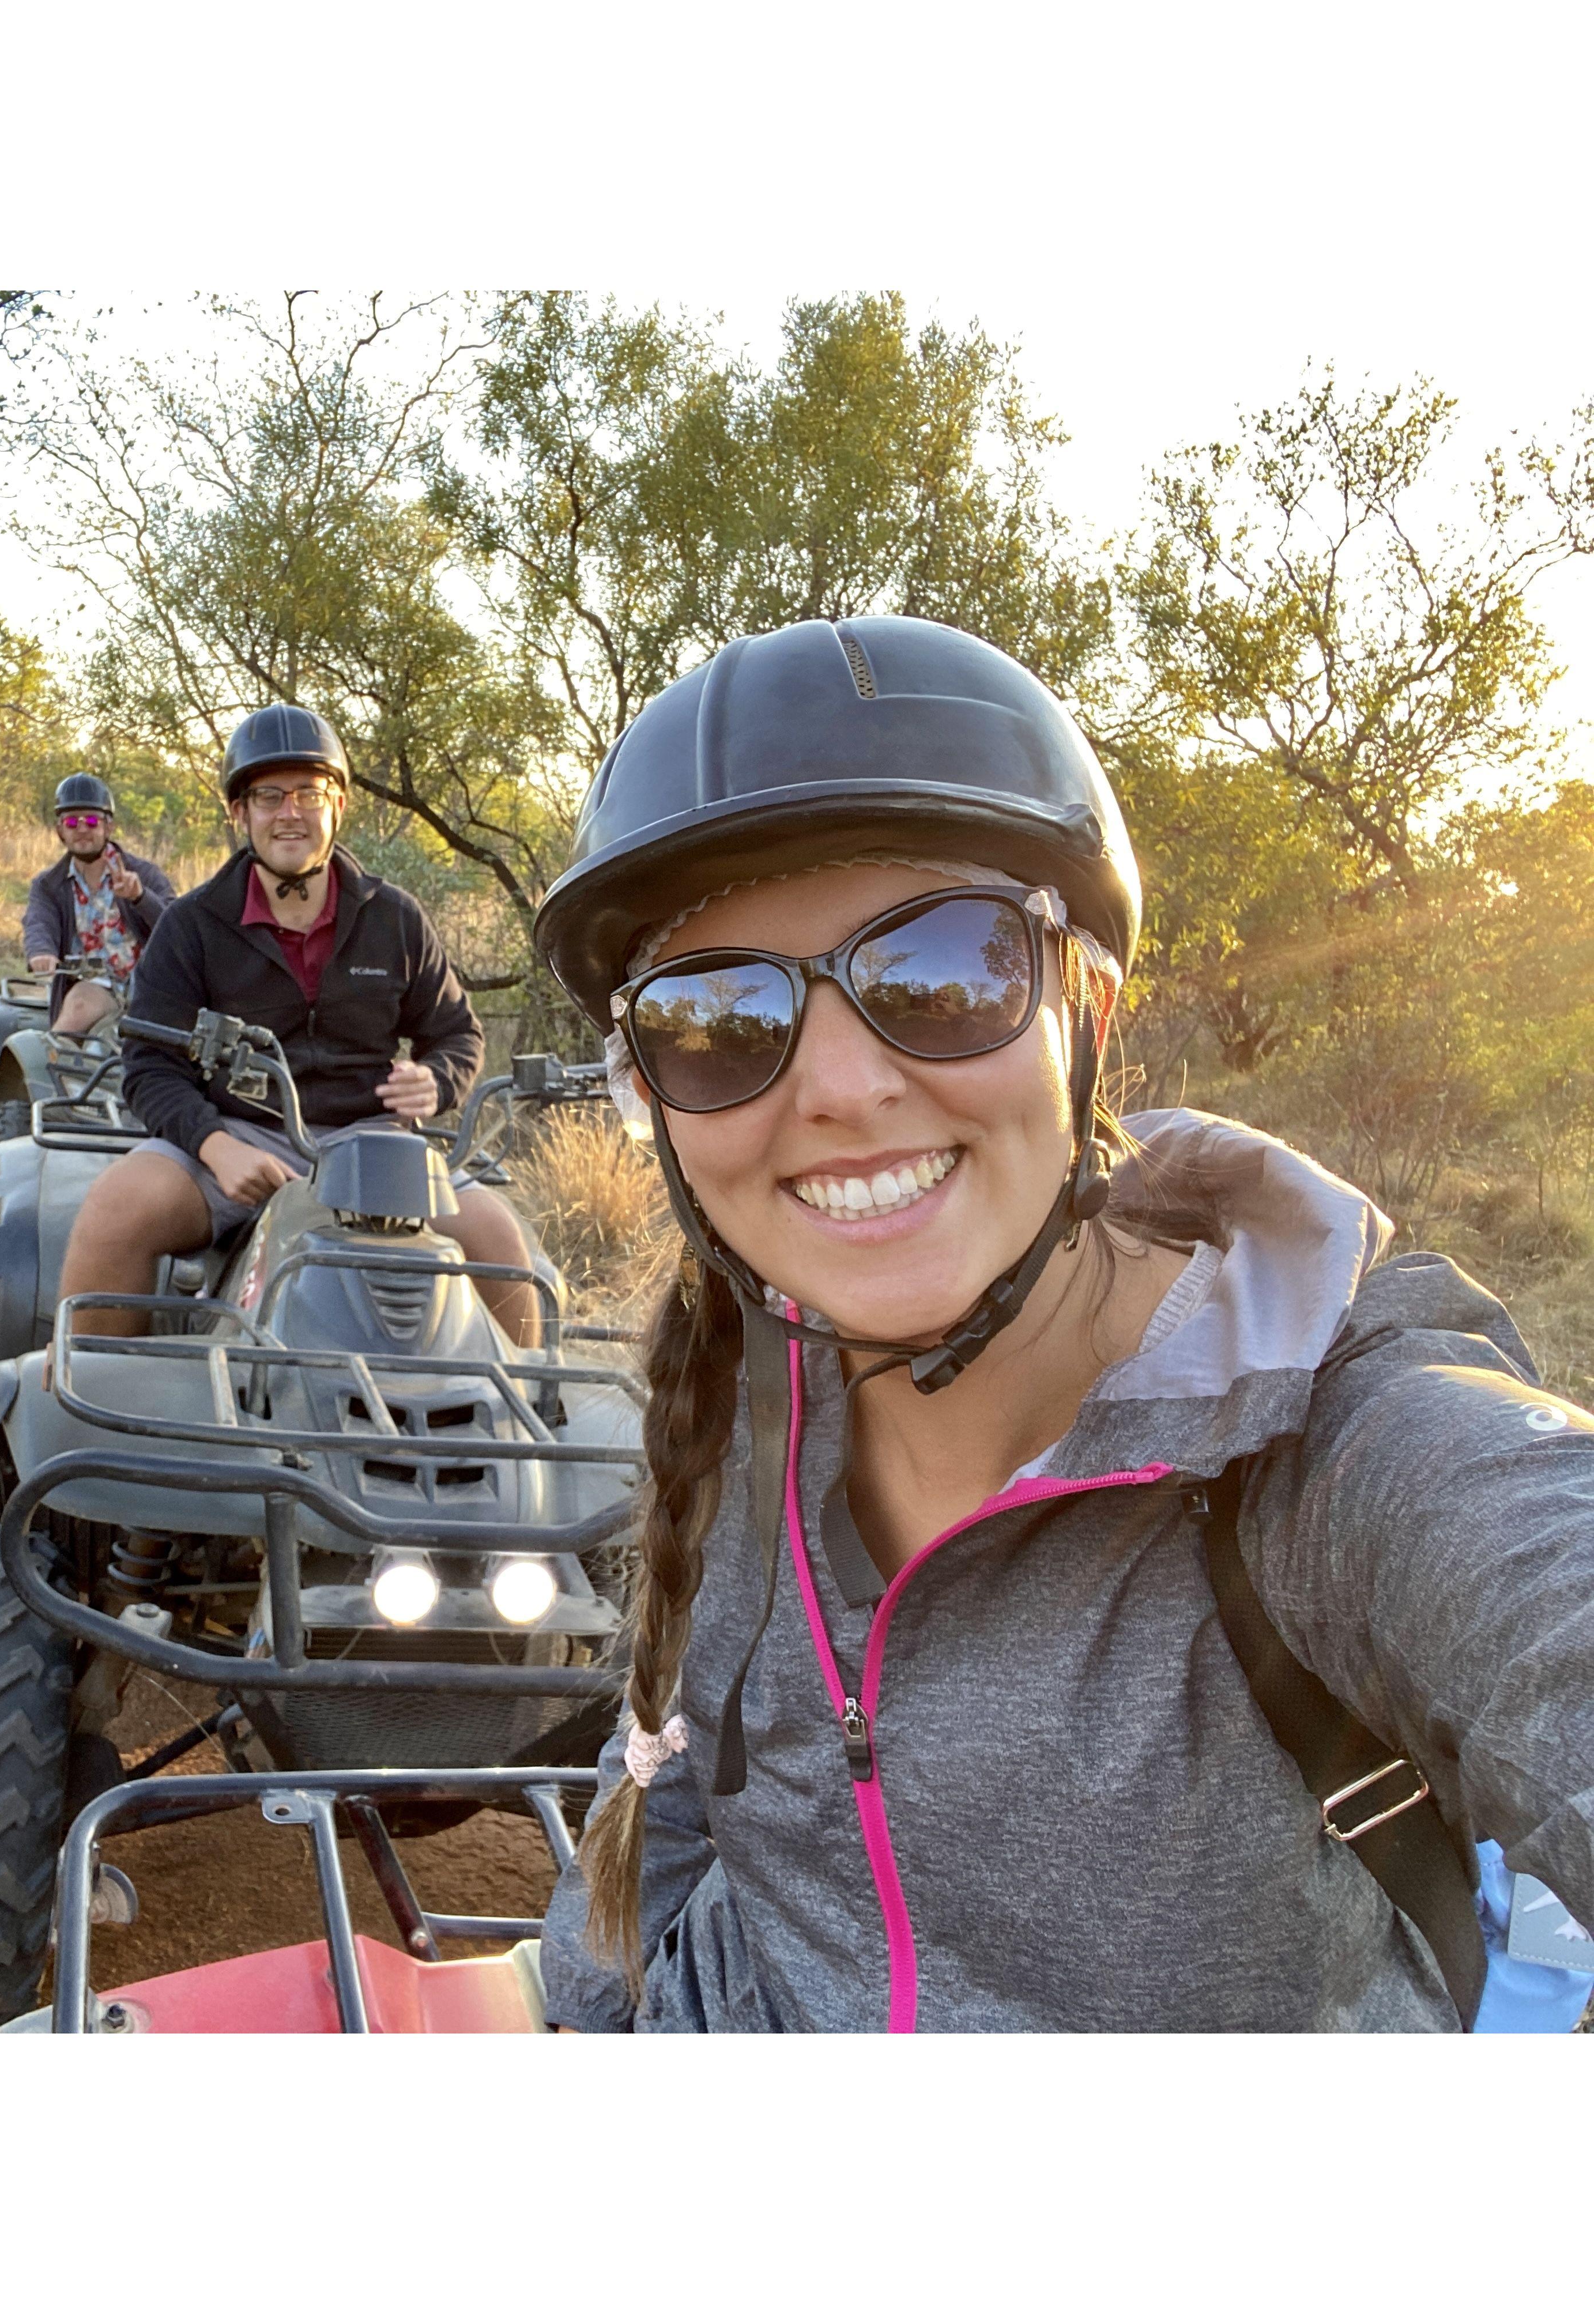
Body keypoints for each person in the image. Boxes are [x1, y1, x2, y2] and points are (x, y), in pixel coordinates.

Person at [529, 614, 1594, 2032]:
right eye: (718, 1020)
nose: (840, 1086)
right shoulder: (735, 1399)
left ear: (1082, 1002)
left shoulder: (1326, 1456)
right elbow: (647, 1829)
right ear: (652, 1096)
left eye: (943, 974)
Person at [60, 702, 538, 1342]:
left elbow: (458, 1034)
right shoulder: (192, 926)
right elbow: (149, 1065)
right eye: (269, 795)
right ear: (240, 813)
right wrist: (213, 1144)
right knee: (117, 1207)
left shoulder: (394, 918)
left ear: (338, 805)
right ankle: (101, 1406)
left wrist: (437, 1079)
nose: (291, 813)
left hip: (374, 1146)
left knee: (496, 1236)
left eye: (310, 793)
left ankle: (513, 1423)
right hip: (236, 1135)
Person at [20, 772, 175, 1038]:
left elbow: (177, 929)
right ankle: (49, 1069)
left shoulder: (145, 875)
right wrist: (41, 953)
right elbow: (39, 922)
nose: (82, 829)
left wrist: (141, 898)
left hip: (152, 992)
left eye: (91, 820)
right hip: (94, 989)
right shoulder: (49, 885)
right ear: (60, 831)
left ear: (108, 826)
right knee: (79, 1008)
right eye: (71, 822)